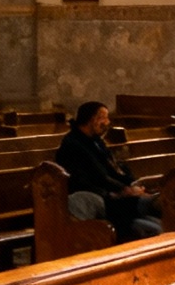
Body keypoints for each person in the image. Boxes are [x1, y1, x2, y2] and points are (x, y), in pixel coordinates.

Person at [55, 101, 160, 240]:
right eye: (104, 117)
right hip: (102, 202)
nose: (107, 122)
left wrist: (132, 185)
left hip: (115, 199)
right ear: (93, 119)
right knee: (152, 221)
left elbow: (114, 168)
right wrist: (120, 192)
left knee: (158, 221)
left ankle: (156, 202)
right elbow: (85, 180)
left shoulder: (96, 141)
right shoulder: (72, 145)